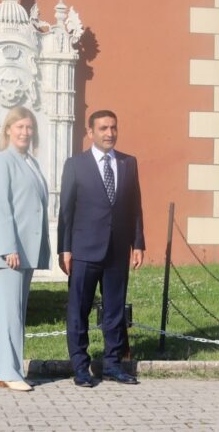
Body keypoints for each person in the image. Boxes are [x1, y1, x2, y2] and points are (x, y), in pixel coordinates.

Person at [58, 109, 145, 387]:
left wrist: (138, 243)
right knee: (79, 310)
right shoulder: (75, 165)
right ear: (90, 132)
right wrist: (65, 249)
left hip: (117, 250)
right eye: (103, 128)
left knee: (115, 310)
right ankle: (80, 367)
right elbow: (66, 211)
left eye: (113, 128)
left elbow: (135, 206)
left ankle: (112, 365)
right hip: (84, 250)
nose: (110, 133)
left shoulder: (128, 163)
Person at [0, 105, 50, 392]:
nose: (25, 132)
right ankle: (10, 372)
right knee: (10, 314)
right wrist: (9, 248)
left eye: (29, 127)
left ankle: (5, 371)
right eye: (20, 126)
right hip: (9, 253)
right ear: (8, 130)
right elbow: (1, 207)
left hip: (25, 250)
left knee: (16, 314)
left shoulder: (30, 162)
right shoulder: (3, 161)